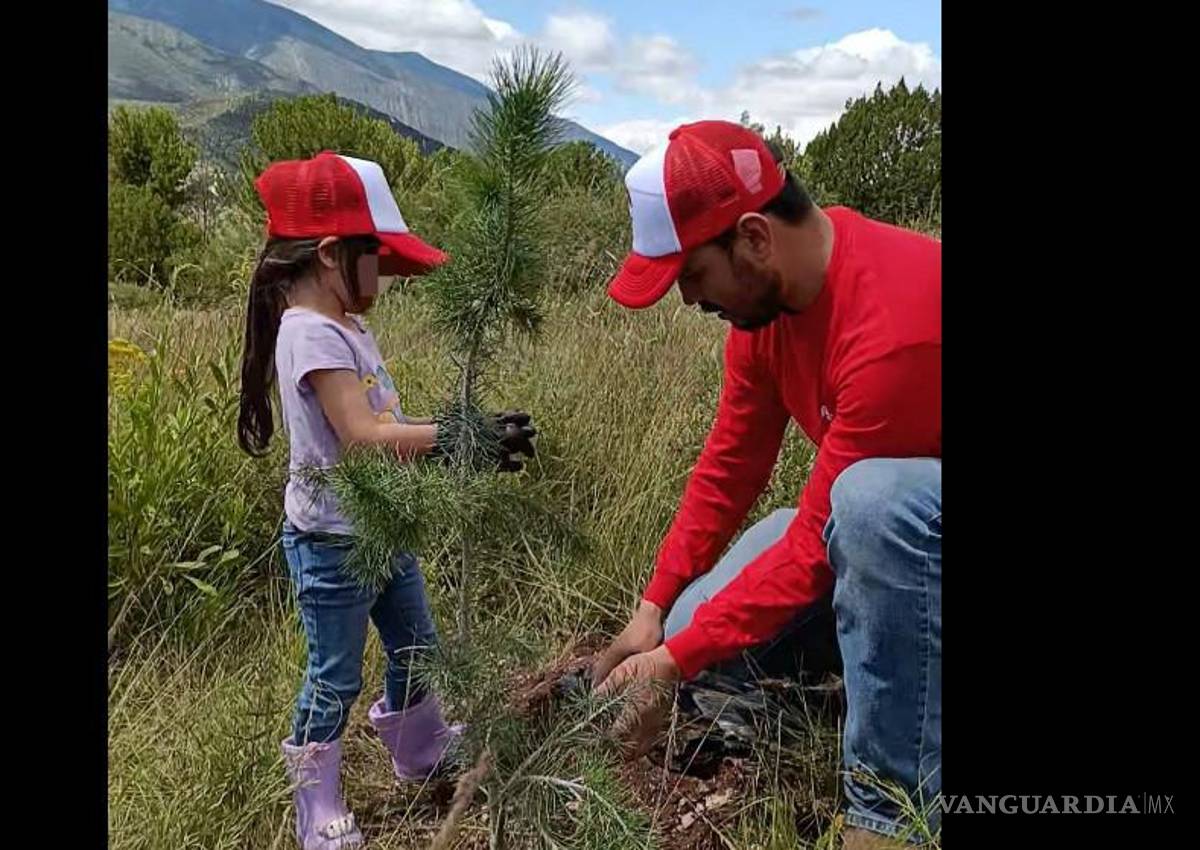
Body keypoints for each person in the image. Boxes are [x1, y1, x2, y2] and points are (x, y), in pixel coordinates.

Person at [591, 121, 941, 848]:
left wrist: (675, 662)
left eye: (691, 275)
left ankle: (891, 813)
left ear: (752, 237)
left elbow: (819, 543)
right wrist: (653, 612)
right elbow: (730, 466)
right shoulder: (764, 316)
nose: (689, 302)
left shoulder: (896, 328)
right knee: (692, 623)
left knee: (870, 506)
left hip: (909, 532)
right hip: (912, 546)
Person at [236, 151, 535, 850]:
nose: (387, 277)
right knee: (334, 677)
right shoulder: (308, 332)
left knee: (415, 645)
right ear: (335, 254)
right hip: (334, 543)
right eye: (378, 258)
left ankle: (418, 751)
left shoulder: (342, 323)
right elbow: (365, 437)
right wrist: (463, 436)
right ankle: (316, 804)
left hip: (383, 524)